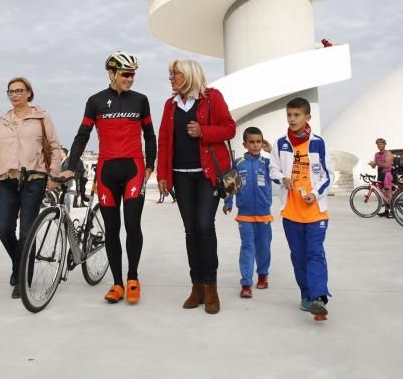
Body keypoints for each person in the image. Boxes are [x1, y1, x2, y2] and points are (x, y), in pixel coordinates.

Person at [63, 52, 156, 305]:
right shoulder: (95, 101)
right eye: (126, 74)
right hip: (106, 171)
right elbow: (82, 135)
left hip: (134, 169)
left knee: (132, 225)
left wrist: (150, 164)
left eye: (133, 74)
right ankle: (117, 283)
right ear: (112, 73)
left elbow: (149, 134)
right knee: (112, 230)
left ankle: (133, 278)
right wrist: (70, 166)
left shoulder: (141, 100)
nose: (131, 78)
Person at [156, 58, 236, 314]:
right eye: (170, 74)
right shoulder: (170, 105)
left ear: (189, 75)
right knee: (191, 231)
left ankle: (211, 287)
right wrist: (162, 174)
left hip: (207, 175)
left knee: (204, 225)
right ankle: (197, 286)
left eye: (175, 74)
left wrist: (204, 132)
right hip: (180, 176)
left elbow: (230, 128)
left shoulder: (212, 98)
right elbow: (164, 140)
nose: (171, 78)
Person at [0, 77, 62, 299]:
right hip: (7, 180)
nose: (15, 94)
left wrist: (53, 175)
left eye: (19, 90)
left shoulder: (41, 117)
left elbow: (55, 147)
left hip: (34, 179)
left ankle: (22, 279)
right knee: (4, 230)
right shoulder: (3, 121)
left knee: (27, 231)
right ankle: (19, 261)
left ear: (29, 93)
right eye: (10, 91)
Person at [271, 98, 332, 320]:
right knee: (298, 256)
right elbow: (273, 169)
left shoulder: (318, 143)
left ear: (307, 117)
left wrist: (314, 194)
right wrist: (282, 178)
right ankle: (307, 296)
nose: (292, 119)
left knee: (315, 253)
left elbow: (328, 175)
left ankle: (318, 298)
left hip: (315, 213)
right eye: (289, 115)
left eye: (297, 115)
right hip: (291, 213)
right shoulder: (280, 143)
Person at [222, 126, 279, 299]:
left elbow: (282, 170)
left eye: (259, 142)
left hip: (264, 214)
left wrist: (272, 151)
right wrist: (228, 202)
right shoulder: (238, 163)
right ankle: (246, 283)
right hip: (245, 215)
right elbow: (231, 183)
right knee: (247, 247)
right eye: (252, 142)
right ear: (245, 144)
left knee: (263, 246)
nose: (256, 145)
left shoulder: (268, 163)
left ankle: (262, 274)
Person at [368, 138, 395, 217]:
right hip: (380, 174)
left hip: (387, 174)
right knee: (382, 193)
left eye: (381, 144)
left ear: (384, 144)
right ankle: (386, 210)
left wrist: (376, 163)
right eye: (378, 144)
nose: (379, 145)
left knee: (388, 194)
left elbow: (387, 164)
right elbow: (374, 166)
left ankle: (393, 212)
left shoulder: (388, 153)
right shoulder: (376, 154)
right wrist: (372, 164)